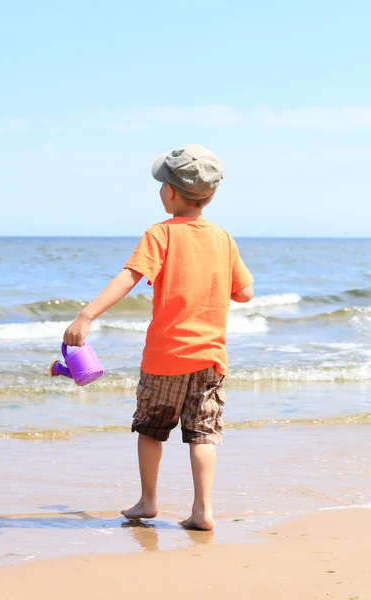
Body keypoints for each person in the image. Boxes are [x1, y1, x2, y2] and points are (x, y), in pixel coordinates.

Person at [63, 144, 254, 530]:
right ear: (211, 195)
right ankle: (203, 510)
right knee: (203, 434)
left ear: (169, 192)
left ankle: (148, 500)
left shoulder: (160, 234)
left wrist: (87, 315)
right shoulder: (223, 238)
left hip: (164, 359)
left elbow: (130, 277)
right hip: (210, 359)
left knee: (151, 429)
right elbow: (245, 292)